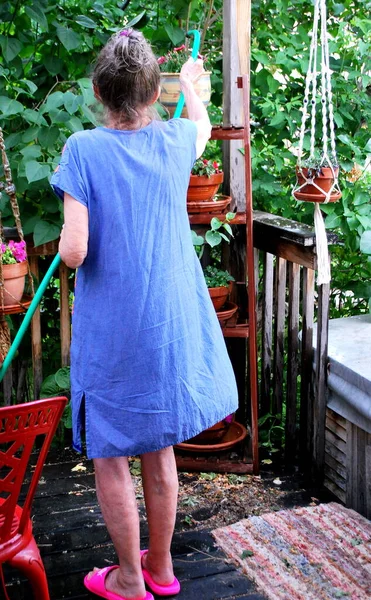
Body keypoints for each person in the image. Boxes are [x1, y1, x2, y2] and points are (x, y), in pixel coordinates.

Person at [51, 28, 238, 600]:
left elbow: (76, 251)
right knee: (159, 447)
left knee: (110, 454)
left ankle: (129, 579)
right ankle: (160, 569)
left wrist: (63, 245)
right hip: (167, 325)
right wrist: (197, 88)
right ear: (155, 91)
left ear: (99, 92)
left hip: (114, 331)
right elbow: (201, 124)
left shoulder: (83, 149)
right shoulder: (178, 138)